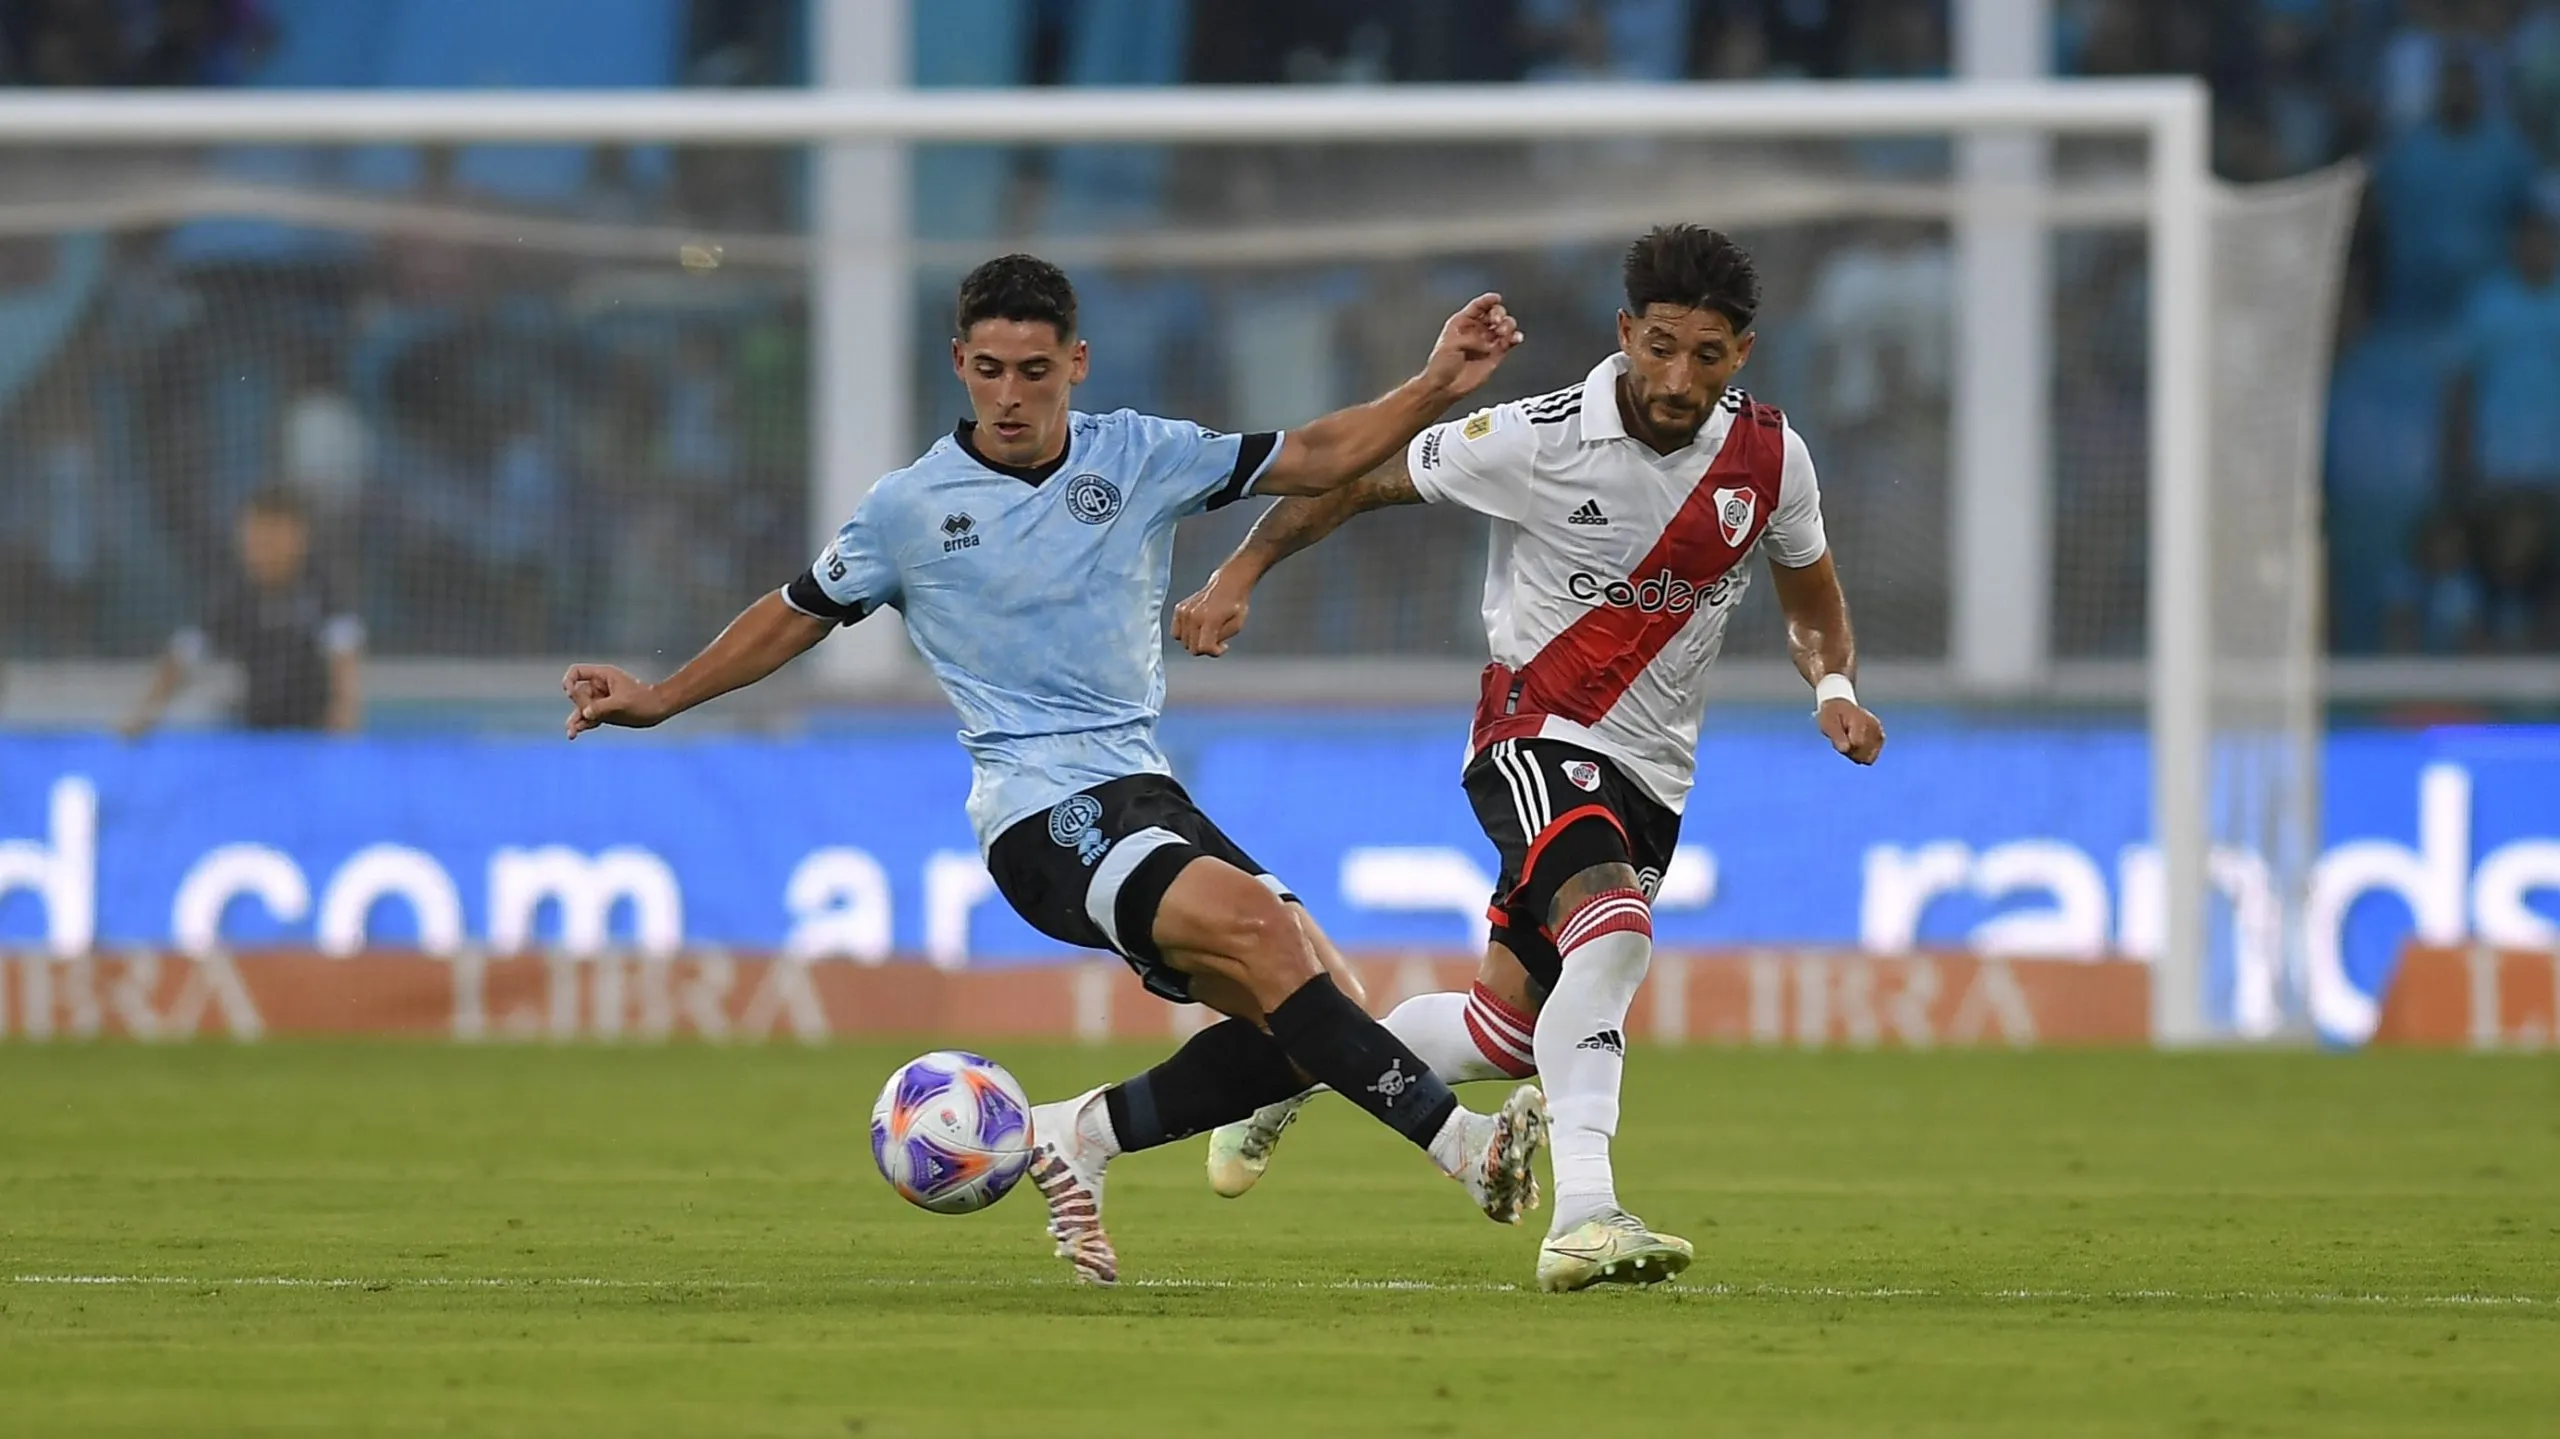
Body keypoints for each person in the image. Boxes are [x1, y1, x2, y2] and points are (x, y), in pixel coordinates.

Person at [559, 254, 1543, 1287]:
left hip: (1142, 789)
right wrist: (661, 696)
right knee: (1263, 935)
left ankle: (1079, 1132)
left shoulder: (1141, 455)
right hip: (1041, 817)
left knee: (1314, 1021)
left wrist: (1434, 382)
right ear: (958, 364)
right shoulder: (908, 507)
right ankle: (1465, 1149)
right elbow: (793, 611)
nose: (1011, 393)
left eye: (1034, 369)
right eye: (988, 369)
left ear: (1075, 362)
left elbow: (1318, 451)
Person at [1173, 225, 1887, 1293]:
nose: (1675, 376)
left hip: (1654, 776)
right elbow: (1359, 479)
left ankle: (1309, 1067)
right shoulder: (1537, 436)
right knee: (1615, 933)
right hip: (1533, 735)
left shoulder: (1771, 458)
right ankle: (1586, 1213)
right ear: (1623, 334)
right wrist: (1241, 570)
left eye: (1704, 354)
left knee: (1503, 1031)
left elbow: (1811, 590)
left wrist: (1832, 687)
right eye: (1657, 346)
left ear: (1741, 351)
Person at [125, 486, 364, 736]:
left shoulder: (324, 586)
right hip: (256, 726)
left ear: (299, 539)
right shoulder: (234, 592)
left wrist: (341, 731)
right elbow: (184, 654)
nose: (262, 551)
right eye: (254, 540)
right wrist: (143, 715)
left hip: (313, 731)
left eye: (273, 540)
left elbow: (344, 668)